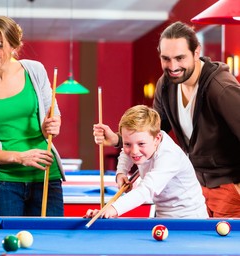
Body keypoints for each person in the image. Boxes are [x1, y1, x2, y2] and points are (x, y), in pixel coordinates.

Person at [93, 21, 240, 218]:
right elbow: (153, 131)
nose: (172, 66)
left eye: (180, 58)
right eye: (166, 59)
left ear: (196, 52)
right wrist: (119, 140)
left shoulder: (220, 88)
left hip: (228, 187)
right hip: (197, 185)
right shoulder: (166, 85)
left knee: (226, 249)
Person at [0, 15, 65, 216]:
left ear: (14, 47)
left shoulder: (35, 70)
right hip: (2, 181)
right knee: (5, 245)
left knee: (51, 244)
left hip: (45, 175)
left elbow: (53, 114)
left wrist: (53, 124)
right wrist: (19, 157)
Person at [86, 105, 208, 218]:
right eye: (128, 143)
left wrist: (111, 209)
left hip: (190, 219)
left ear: (157, 139)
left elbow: (146, 191)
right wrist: (121, 172)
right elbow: (125, 152)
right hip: (163, 217)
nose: (134, 151)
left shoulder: (169, 156)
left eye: (141, 144)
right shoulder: (150, 139)